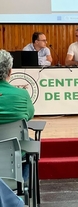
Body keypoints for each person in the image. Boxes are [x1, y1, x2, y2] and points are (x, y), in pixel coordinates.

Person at [0, 49, 35, 181]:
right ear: (10, 71)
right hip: (14, 153)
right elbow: (29, 116)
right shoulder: (22, 95)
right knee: (30, 147)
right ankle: (20, 186)